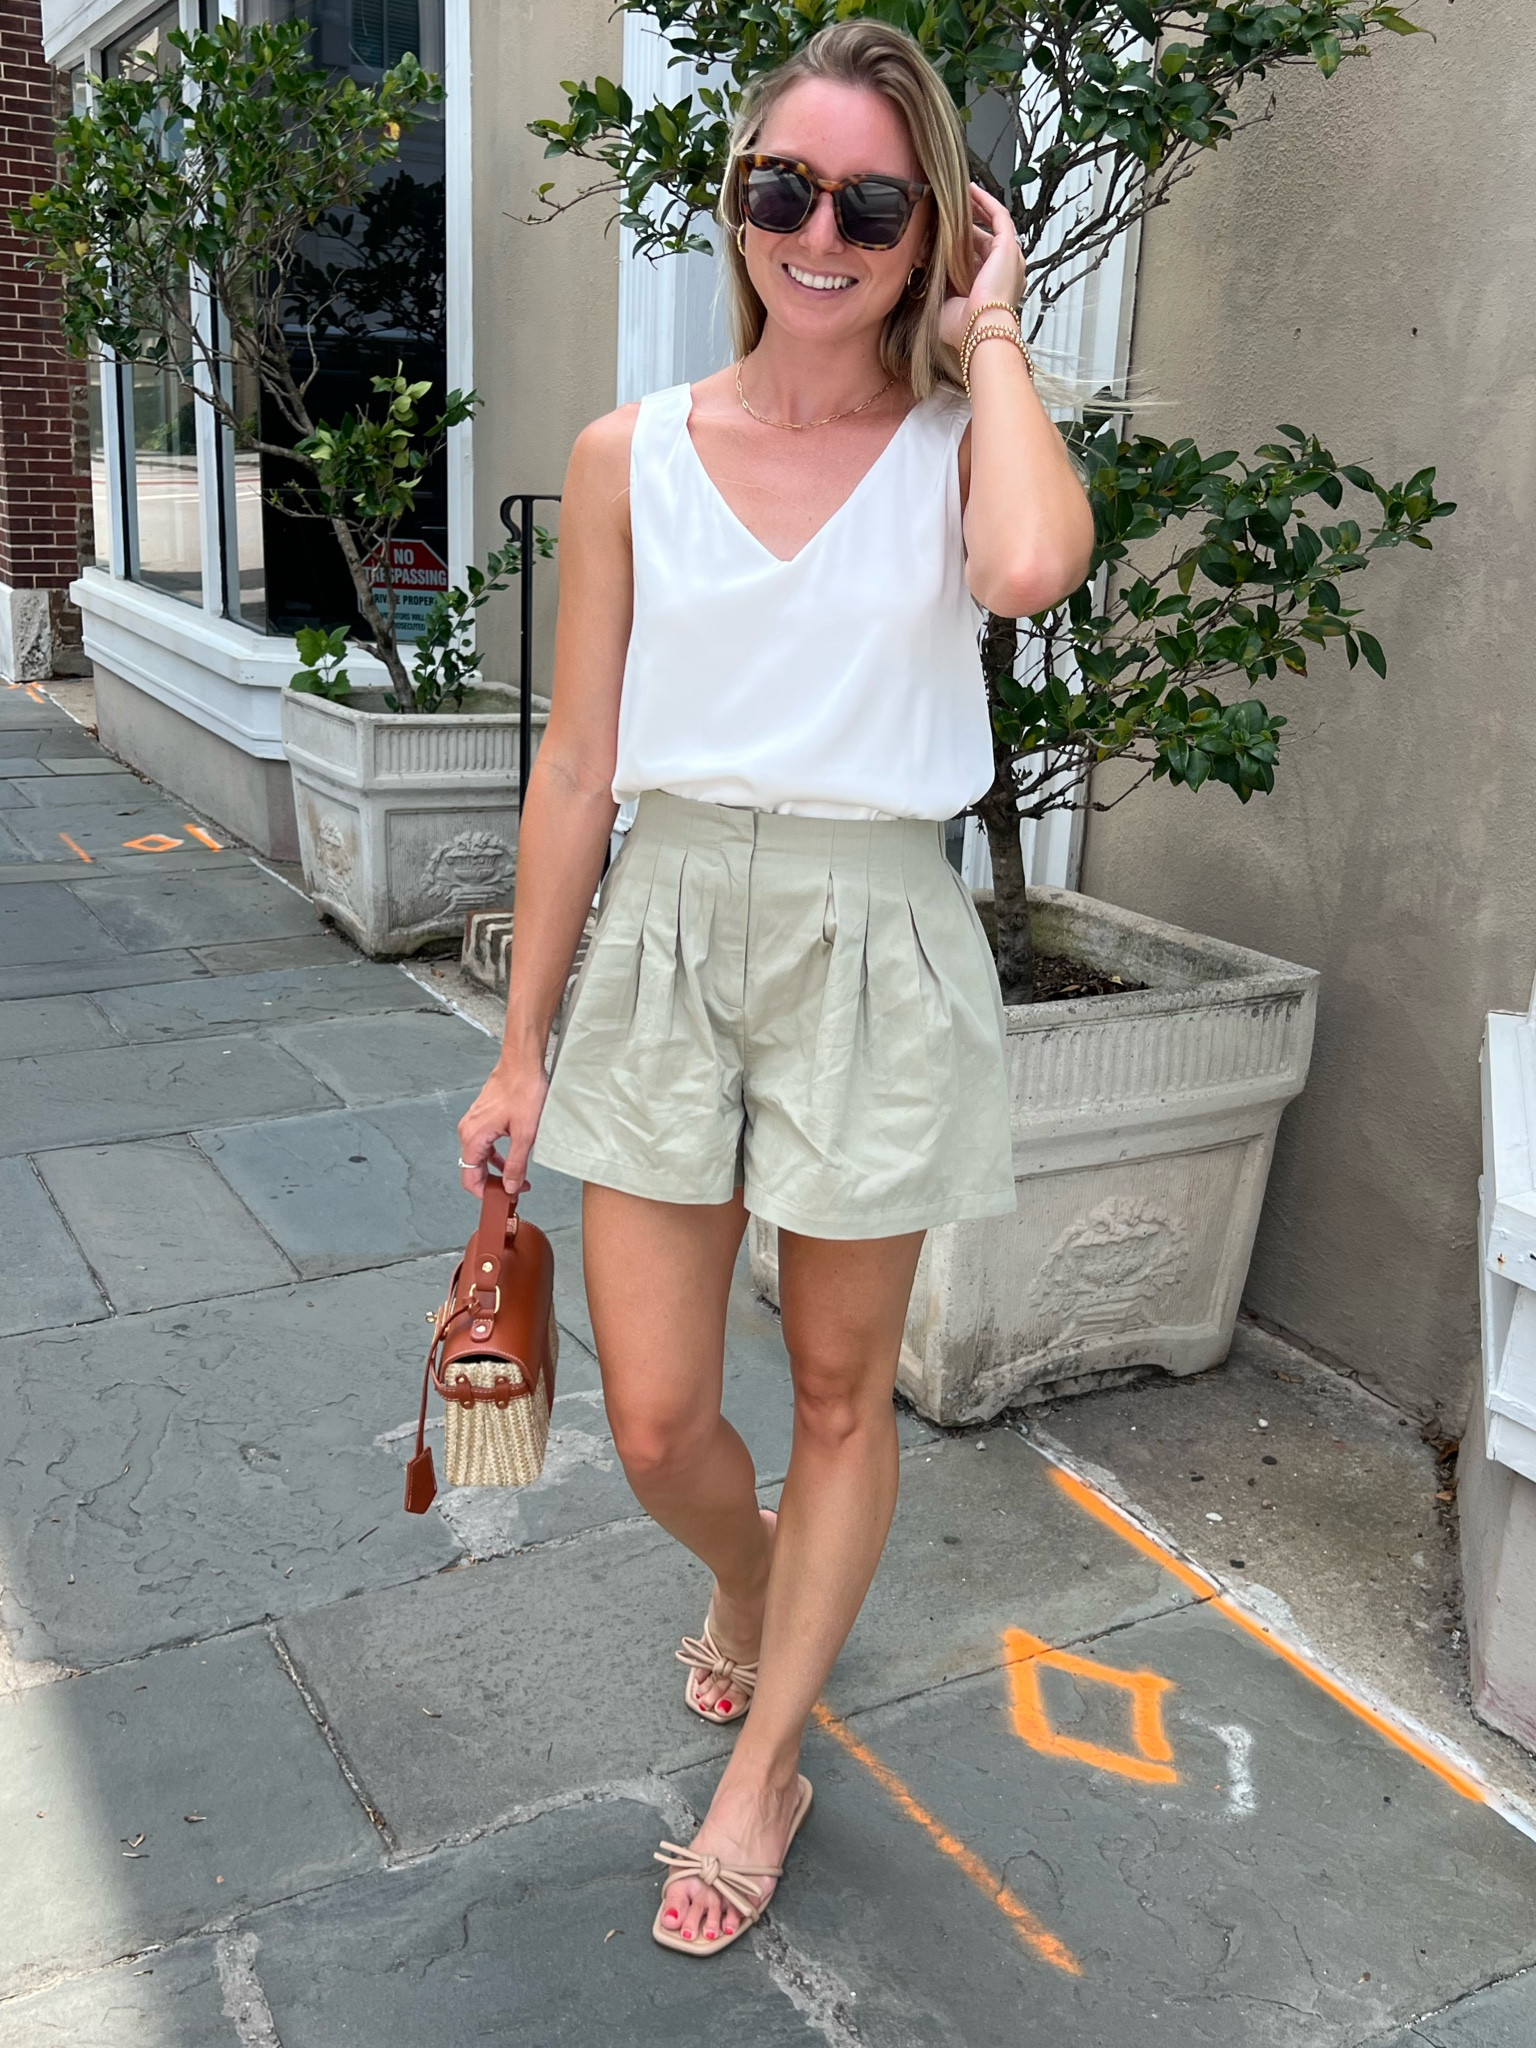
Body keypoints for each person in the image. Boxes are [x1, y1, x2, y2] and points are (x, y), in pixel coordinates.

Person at [456, 17, 1094, 1958]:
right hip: (666, 927)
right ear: (738, 201)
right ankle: (748, 1583)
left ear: (931, 233)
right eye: (783, 190)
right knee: (654, 1417)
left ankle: (768, 1766)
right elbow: (578, 763)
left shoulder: (951, 442)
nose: (820, 232)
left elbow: (1033, 564)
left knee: (834, 1388)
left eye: (874, 202)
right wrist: (516, 1042)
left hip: (875, 933)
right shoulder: (629, 452)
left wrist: (993, 346)